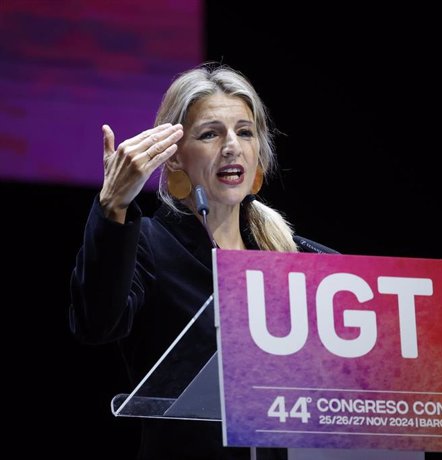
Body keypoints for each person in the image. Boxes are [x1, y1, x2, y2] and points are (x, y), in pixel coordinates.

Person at [69, 63, 337, 460]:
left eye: (245, 132)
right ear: (174, 159)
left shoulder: (299, 259)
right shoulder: (149, 244)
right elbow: (96, 323)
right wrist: (113, 206)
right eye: (210, 134)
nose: (232, 146)